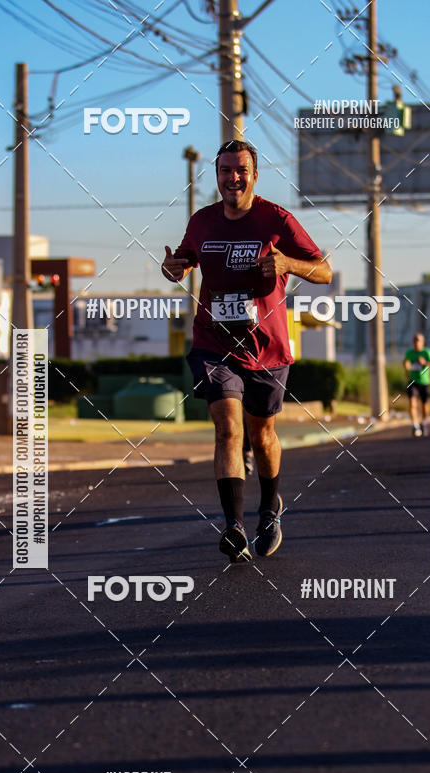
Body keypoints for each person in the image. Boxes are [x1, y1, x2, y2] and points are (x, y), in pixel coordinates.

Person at [162, 139, 332, 560]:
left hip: (267, 348)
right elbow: (182, 261)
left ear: (254, 175)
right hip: (214, 343)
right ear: (216, 175)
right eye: (224, 171)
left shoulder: (277, 219)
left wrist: (289, 264)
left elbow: (325, 272)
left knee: (262, 434)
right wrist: (172, 267)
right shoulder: (202, 222)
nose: (232, 178)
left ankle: (270, 507)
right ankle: (234, 526)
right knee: (228, 429)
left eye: (240, 170)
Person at [403, 333, 430, 436]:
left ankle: (423, 422)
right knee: (412, 403)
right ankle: (415, 425)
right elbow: (406, 363)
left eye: (418, 340)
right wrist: (406, 367)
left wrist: (425, 363)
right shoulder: (409, 353)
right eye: (415, 340)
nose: (416, 342)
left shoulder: (427, 352)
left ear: (422, 342)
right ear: (413, 342)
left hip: (425, 382)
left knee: (424, 405)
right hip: (413, 382)